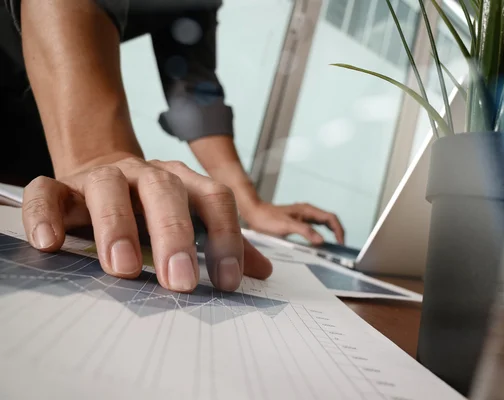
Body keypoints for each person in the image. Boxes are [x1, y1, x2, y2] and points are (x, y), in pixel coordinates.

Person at [0, 0, 345, 293]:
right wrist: (97, 152)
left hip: (37, 114)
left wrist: (249, 204)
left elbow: (195, 90)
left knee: (55, 226)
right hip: (36, 86)